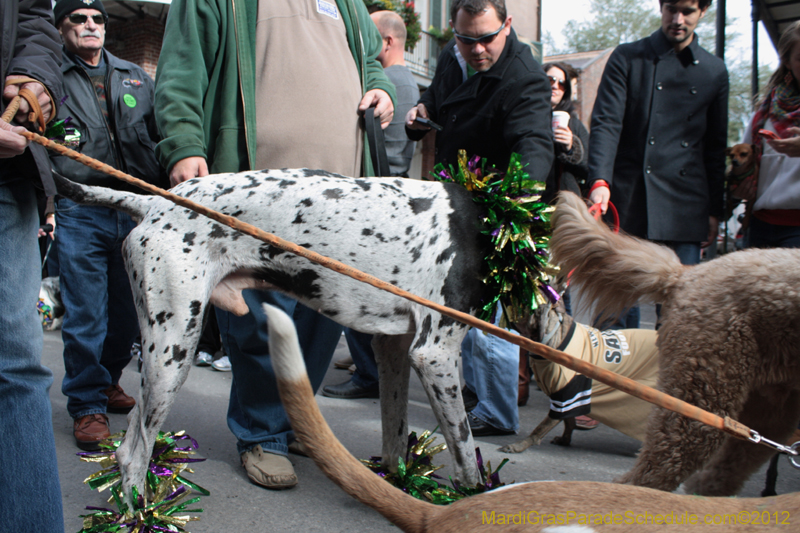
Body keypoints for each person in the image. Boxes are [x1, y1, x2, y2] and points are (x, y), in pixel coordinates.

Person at [154, 0, 395, 490]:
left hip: (341, 194)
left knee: (325, 316)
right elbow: (181, 68)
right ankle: (263, 433)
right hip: (254, 189)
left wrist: (381, 88)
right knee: (258, 318)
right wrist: (184, 144)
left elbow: (371, 59)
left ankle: (296, 421)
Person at [406, 0, 553, 436]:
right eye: (466, 39)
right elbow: (434, 99)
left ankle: (496, 410)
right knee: (460, 306)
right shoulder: (455, 57)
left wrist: (519, 202)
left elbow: (533, 142)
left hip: (500, 208)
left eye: (487, 38)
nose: (476, 50)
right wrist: (420, 114)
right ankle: (475, 395)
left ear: (508, 24)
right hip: (452, 198)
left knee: (489, 316)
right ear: (454, 30)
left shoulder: (524, 76)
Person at [49, 0, 167, 451]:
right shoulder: (50, 78)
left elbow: (158, 135)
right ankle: (86, 405)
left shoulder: (135, 76)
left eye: (96, 18)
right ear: (62, 29)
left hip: (137, 208)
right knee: (87, 315)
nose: (89, 25)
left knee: (128, 316)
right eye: (77, 19)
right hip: (81, 207)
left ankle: (107, 381)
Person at [587, 0, 728, 328]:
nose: (678, 20)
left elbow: (715, 146)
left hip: (686, 204)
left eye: (688, 11)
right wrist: (599, 182)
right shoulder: (627, 57)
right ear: (661, 7)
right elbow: (607, 123)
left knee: (682, 315)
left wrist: (714, 211)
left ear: (703, 11)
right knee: (615, 309)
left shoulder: (714, 71)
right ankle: (613, 378)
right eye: (671, 9)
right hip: (628, 197)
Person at [324, 9, 421, 400]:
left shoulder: (390, 82)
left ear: (386, 42)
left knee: (351, 290)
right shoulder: (406, 81)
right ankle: (369, 368)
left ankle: (369, 373)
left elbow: (385, 149)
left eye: (367, 37)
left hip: (376, 197)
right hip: (389, 197)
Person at [0, 0, 65, 529]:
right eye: (81, 17)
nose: (91, 25)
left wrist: (35, 78)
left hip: (7, 174)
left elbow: (32, 21)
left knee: (17, 364)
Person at [741, 20, 800, 250]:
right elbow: (745, 165)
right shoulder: (762, 114)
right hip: (760, 228)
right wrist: (740, 183)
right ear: (786, 61)